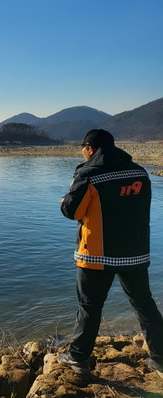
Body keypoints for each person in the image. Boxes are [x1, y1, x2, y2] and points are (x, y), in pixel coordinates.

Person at [59, 129, 163, 376]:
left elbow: (72, 211)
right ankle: (161, 359)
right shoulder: (139, 172)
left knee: (90, 306)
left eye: (83, 150)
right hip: (135, 253)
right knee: (144, 305)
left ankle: (78, 358)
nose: (83, 154)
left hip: (97, 254)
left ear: (91, 149)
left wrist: (65, 199)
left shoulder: (89, 173)